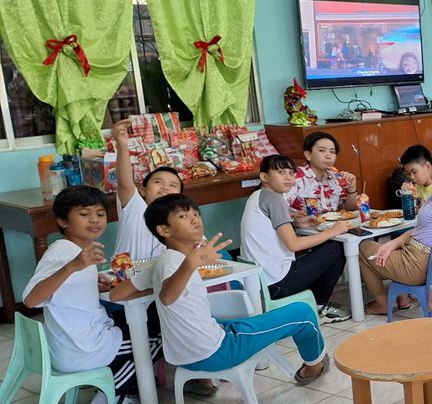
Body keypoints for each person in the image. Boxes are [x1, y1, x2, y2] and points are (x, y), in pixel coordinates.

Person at [136, 194, 329, 382]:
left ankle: (204, 381)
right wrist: (191, 263)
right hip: (215, 353)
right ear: (163, 230)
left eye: (196, 214)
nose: (194, 220)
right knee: (302, 312)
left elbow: (121, 292)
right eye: (183, 216)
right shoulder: (176, 261)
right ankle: (314, 366)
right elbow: (167, 298)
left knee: (230, 322)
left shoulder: (164, 260)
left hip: (187, 356)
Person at [23, 186, 159, 404]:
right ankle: (109, 397)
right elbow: (31, 300)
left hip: (71, 342)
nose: (94, 220)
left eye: (100, 214)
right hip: (84, 348)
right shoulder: (65, 254)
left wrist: (87, 280)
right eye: (84, 214)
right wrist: (73, 267)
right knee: (157, 333)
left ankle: (123, 380)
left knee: (139, 320)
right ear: (62, 220)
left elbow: (62, 286)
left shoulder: (72, 249)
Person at [242, 155, 351, 324]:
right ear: (264, 177)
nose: (288, 177)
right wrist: (332, 231)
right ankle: (320, 306)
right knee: (336, 247)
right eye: (280, 172)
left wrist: (294, 220)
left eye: (291, 173)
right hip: (278, 282)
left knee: (322, 248)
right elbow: (293, 245)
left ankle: (315, 301)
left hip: (260, 283)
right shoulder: (273, 198)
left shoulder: (257, 196)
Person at [360, 146, 432, 315]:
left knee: (362, 249)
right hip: (415, 256)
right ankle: (400, 297)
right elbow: (420, 228)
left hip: (415, 264)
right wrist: (393, 244)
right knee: (382, 249)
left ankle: (382, 303)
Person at [111, 121, 183, 261]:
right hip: (126, 279)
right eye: (157, 182)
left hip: (162, 280)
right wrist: (122, 146)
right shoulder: (135, 208)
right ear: (142, 191)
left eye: (173, 185)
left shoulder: (183, 220)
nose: (165, 187)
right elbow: (125, 182)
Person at [284, 131, 360, 225]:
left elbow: (350, 209)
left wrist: (352, 188)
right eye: (321, 150)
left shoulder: (336, 177)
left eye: (332, 152)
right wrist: (294, 217)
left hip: (335, 230)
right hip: (305, 233)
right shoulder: (296, 177)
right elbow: (278, 209)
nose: (328, 156)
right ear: (308, 155)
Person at [401, 144, 432, 209]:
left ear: (428, 166)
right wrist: (406, 195)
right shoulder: (416, 187)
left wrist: (417, 199)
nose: (411, 177)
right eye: (408, 174)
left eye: (414, 172)